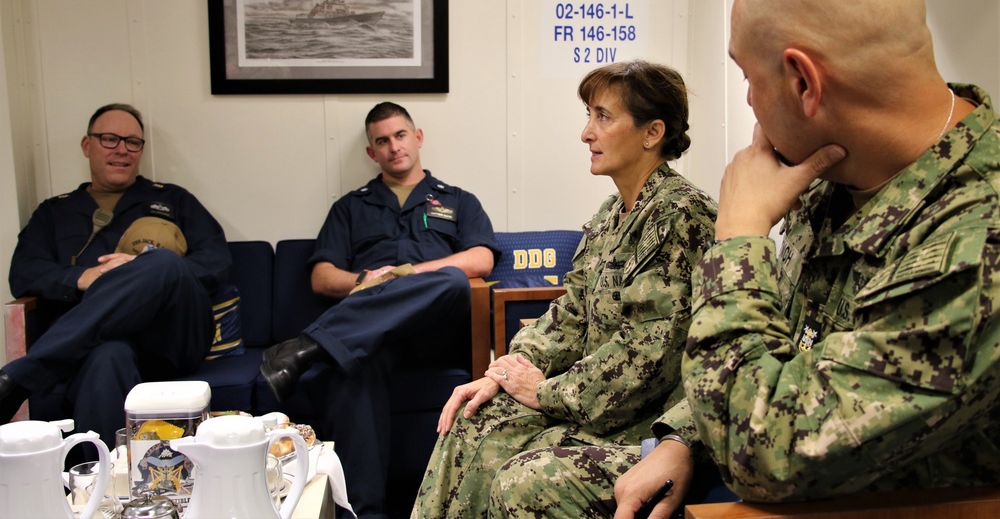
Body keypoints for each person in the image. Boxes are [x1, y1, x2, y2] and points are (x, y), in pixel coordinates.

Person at [490, 0, 1000, 518]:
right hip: (750, 437)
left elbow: (767, 453)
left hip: (853, 494)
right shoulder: (830, 176)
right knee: (532, 479)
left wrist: (739, 237)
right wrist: (681, 437)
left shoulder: (978, 237)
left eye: (749, 78)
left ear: (804, 82)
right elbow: (782, 337)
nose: (751, 102)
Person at [412, 60, 718, 518]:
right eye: (588, 116)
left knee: (521, 479)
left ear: (652, 133)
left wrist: (547, 392)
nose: (586, 133)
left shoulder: (681, 216)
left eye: (603, 117)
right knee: (472, 422)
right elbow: (571, 311)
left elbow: (646, 358)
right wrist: (510, 371)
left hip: (649, 426)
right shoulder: (612, 213)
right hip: (598, 409)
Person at [259, 101, 499, 519]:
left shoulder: (458, 200)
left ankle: (307, 346)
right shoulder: (352, 207)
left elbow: (480, 259)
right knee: (354, 369)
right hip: (372, 337)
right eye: (382, 141)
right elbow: (322, 276)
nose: (393, 147)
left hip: (434, 331)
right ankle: (363, 512)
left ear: (418, 137)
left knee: (450, 280)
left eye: (400, 135)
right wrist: (365, 282)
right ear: (372, 152)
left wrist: (404, 274)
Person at [0, 103, 231, 457]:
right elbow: (24, 273)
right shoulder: (54, 212)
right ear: (86, 145)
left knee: (163, 262)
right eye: (109, 139)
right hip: (94, 349)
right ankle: (107, 492)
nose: (122, 149)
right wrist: (82, 277)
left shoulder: (173, 199)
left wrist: (144, 269)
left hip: (171, 338)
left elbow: (217, 262)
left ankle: (21, 378)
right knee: (108, 357)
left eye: (133, 142)